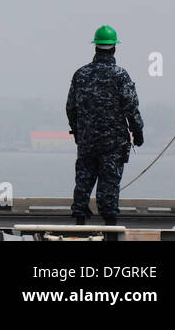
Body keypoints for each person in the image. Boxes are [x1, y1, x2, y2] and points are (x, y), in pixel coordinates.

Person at [67, 25, 144, 226]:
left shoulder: (80, 74)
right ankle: (110, 227)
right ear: (114, 49)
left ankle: (79, 224)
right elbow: (130, 106)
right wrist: (137, 131)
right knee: (109, 185)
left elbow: (70, 107)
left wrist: (77, 132)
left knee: (83, 181)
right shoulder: (120, 75)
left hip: (87, 141)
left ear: (95, 48)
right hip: (113, 143)